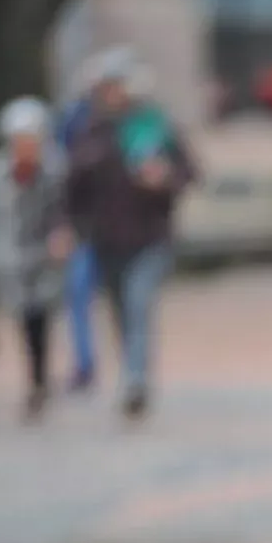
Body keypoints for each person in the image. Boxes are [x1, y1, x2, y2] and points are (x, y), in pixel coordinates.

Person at [66, 49, 197, 419]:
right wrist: (70, 228)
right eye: (106, 86)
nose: (112, 93)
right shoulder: (90, 130)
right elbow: (72, 188)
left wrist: (164, 178)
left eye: (118, 85)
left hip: (151, 237)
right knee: (121, 310)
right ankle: (130, 373)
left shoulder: (154, 125)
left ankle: (136, 379)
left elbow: (190, 171)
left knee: (139, 304)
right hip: (106, 239)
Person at [0, 97, 74, 419]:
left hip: (42, 259)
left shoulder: (54, 170)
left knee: (40, 319)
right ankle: (34, 379)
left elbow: (64, 212)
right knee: (23, 319)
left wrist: (62, 234)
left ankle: (39, 382)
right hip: (8, 259)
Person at [57, 60, 102, 391]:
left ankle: (133, 367)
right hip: (85, 229)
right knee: (77, 297)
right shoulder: (74, 120)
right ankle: (85, 364)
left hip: (122, 232)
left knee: (127, 304)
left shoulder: (132, 123)